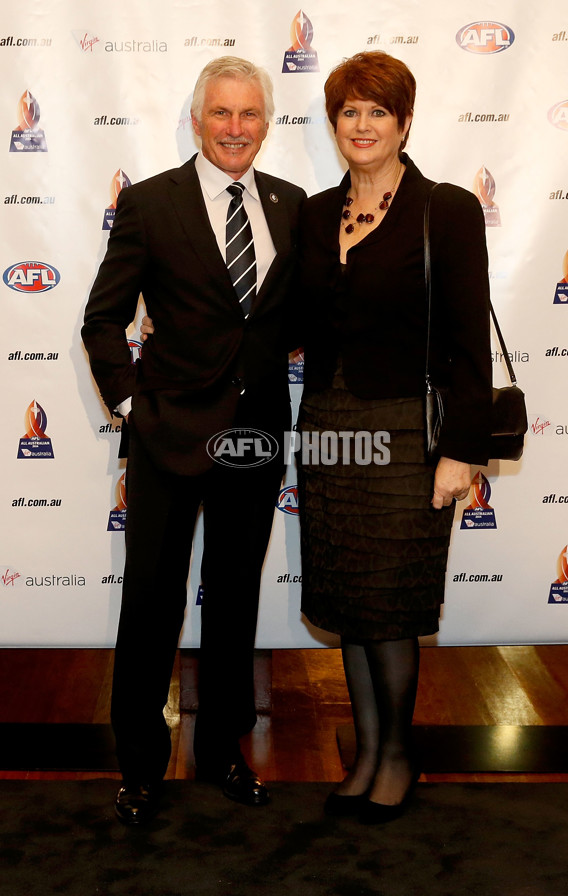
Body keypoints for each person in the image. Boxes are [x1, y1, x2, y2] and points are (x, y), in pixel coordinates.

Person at [81, 56, 306, 825]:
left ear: (266, 124)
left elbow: (289, 318)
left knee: (236, 601)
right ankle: (140, 767)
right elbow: (101, 320)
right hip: (168, 435)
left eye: (249, 115)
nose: (235, 129)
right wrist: (130, 405)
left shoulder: (291, 203)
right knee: (151, 603)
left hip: (254, 438)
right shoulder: (150, 203)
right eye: (222, 114)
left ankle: (223, 753)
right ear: (198, 119)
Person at [296, 51, 492, 824]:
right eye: (350, 111)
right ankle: (368, 752)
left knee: (390, 598)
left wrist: (462, 450)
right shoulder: (314, 213)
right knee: (348, 595)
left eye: (378, 111)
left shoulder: (444, 208)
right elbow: (295, 321)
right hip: (329, 426)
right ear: (334, 124)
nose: (363, 125)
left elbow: (468, 341)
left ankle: (399, 756)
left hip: (405, 431)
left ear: (405, 123)